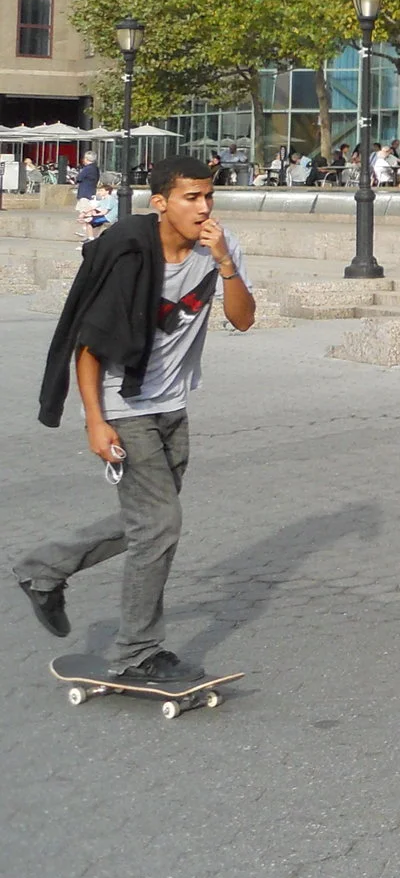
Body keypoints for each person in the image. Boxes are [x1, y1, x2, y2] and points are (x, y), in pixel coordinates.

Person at [16, 156, 256, 681]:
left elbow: (243, 318)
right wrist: (95, 422)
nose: (204, 207)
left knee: (148, 522)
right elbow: (90, 345)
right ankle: (136, 654)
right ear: (161, 203)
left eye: (209, 196)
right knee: (161, 525)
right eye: (191, 198)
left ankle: (45, 568)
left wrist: (225, 263)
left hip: (172, 406)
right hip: (125, 407)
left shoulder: (218, 246)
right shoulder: (129, 253)